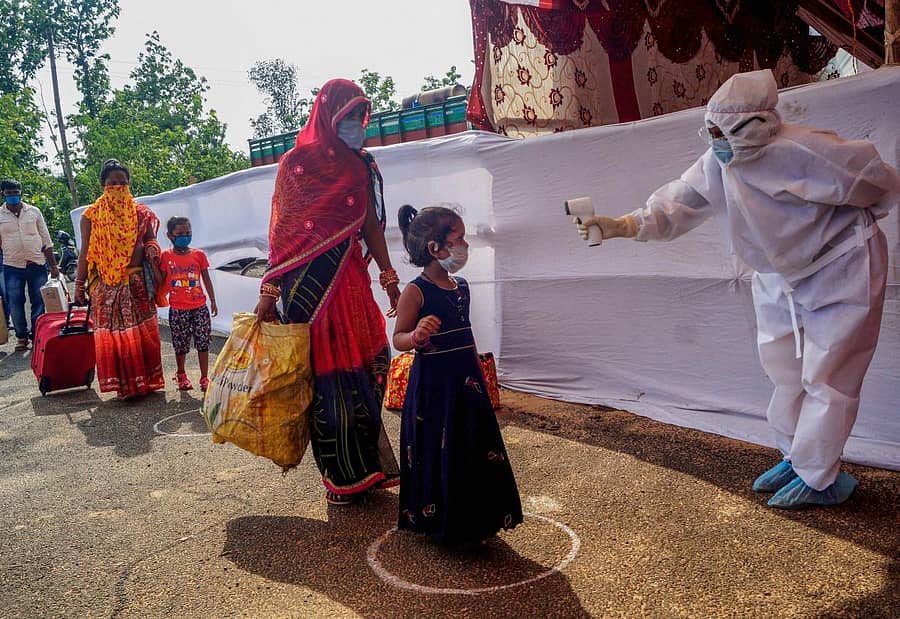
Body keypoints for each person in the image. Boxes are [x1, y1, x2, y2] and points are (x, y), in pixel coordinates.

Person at [573, 70, 900, 509]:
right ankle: (797, 455)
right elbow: (678, 203)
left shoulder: (802, 149)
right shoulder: (718, 161)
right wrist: (623, 225)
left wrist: (835, 229)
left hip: (840, 265)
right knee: (784, 369)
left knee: (830, 375)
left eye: (721, 131)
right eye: (709, 130)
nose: (715, 140)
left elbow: (876, 181)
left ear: (759, 124)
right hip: (780, 274)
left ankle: (820, 477)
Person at [256, 79, 402, 505]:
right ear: (328, 114)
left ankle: (368, 468)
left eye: (362, 115)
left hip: (352, 284)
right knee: (327, 383)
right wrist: (270, 289)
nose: (357, 124)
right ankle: (340, 476)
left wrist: (390, 280)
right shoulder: (295, 164)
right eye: (349, 115)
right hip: (308, 291)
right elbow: (282, 234)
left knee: (371, 364)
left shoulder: (362, 165)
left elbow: (371, 225)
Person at [392, 205, 523, 544]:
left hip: (467, 384)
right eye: (459, 238)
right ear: (435, 248)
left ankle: (480, 518)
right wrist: (417, 335)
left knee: (472, 447)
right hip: (435, 389)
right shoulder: (415, 291)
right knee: (440, 451)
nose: (465, 245)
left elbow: (467, 333)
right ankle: (446, 525)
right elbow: (399, 338)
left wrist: (481, 375)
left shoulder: (461, 285)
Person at [74, 160, 165, 400]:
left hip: (136, 283)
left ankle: (147, 383)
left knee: (143, 335)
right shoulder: (91, 216)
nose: (118, 187)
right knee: (117, 339)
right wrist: (78, 285)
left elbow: (151, 240)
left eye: (123, 183)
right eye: (113, 183)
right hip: (106, 286)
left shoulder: (140, 213)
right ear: (103, 185)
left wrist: (152, 249)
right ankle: (126, 388)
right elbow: (85, 252)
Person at [158, 216, 218, 392]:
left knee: (203, 341)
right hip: (177, 308)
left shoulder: (198, 255)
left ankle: (204, 377)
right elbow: (161, 280)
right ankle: (181, 374)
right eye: (180, 233)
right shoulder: (165, 256)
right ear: (170, 235)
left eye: (188, 233)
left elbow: (206, 279)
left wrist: (213, 300)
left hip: (199, 307)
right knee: (180, 343)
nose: (185, 236)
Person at [0, 178, 60, 351]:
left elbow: (46, 240)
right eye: (9, 193)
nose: (13, 196)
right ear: (2, 194)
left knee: (39, 301)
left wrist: (54, 266)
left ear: (21, 194)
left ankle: (37, 335)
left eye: (16, 193)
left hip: (37, 263)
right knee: (14, 302)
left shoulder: (34, 212)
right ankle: (21, 337)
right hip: (12, 266)